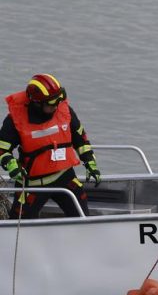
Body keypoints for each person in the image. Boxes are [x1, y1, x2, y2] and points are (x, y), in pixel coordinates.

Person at [0, 74, 100, 218]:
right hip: (33, 184)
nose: (55, 107)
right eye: (51, 104)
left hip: (65, 177)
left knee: (82, 218)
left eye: (58, 102)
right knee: (19, 225)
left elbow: (81, 140)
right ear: (36, 103)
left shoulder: (65, 111)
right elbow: (2, 149)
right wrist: (11, 165)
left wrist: (91, 163)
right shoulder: (15, 121)